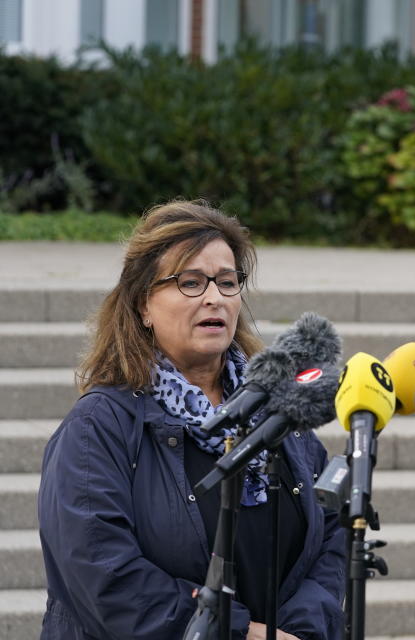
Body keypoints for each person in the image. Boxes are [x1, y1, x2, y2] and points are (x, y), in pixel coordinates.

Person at [38, 200, 345, 640]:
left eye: (226, 281)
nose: (214, 297)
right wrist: (245, 634)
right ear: (144, 304)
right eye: (190, 282)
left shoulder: (276, 409)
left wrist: (297, 630)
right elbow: (102, 575)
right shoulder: (97, 428)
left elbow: (329, 536)